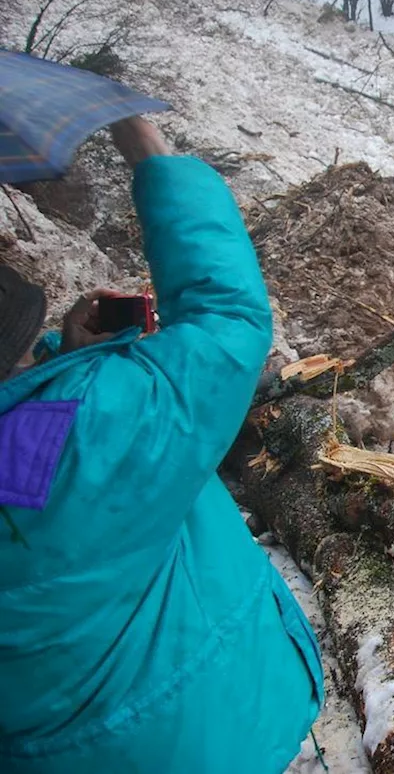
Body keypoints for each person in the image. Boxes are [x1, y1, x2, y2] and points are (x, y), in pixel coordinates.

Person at [0, 117, 323, 773]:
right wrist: (148, 150)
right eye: (28, 343)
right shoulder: (96, 428)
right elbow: (229, 318)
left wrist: (52, 369)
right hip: (208, 739)